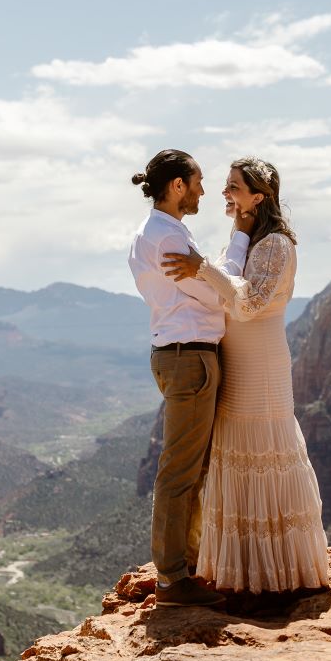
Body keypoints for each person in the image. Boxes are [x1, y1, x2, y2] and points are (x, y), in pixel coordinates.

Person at [161, 157, 331, 604]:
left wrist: (202, 269)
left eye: (234, 187)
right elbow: (226, 291)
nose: (225, 193)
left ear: (259, 196)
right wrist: (212, 266)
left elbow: (249, 305)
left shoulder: (276, 244)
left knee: (265, 451)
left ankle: (277, 572)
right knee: (236, 453)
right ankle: (244, 568)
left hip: (262, 364)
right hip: (234, 361)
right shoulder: (246, 239)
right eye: (225, 185)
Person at [126, 148, 249, 607]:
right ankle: (174, 579)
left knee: (190, 468)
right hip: (190, 359)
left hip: (176, 354)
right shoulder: (168, 240)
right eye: (197, 181)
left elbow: (206, 289)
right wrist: (237, 235)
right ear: (177, 185)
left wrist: (208, 278)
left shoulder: (156, 233)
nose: (202, 189)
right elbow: (220, 291)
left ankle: (185, 566)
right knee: (181, 471)